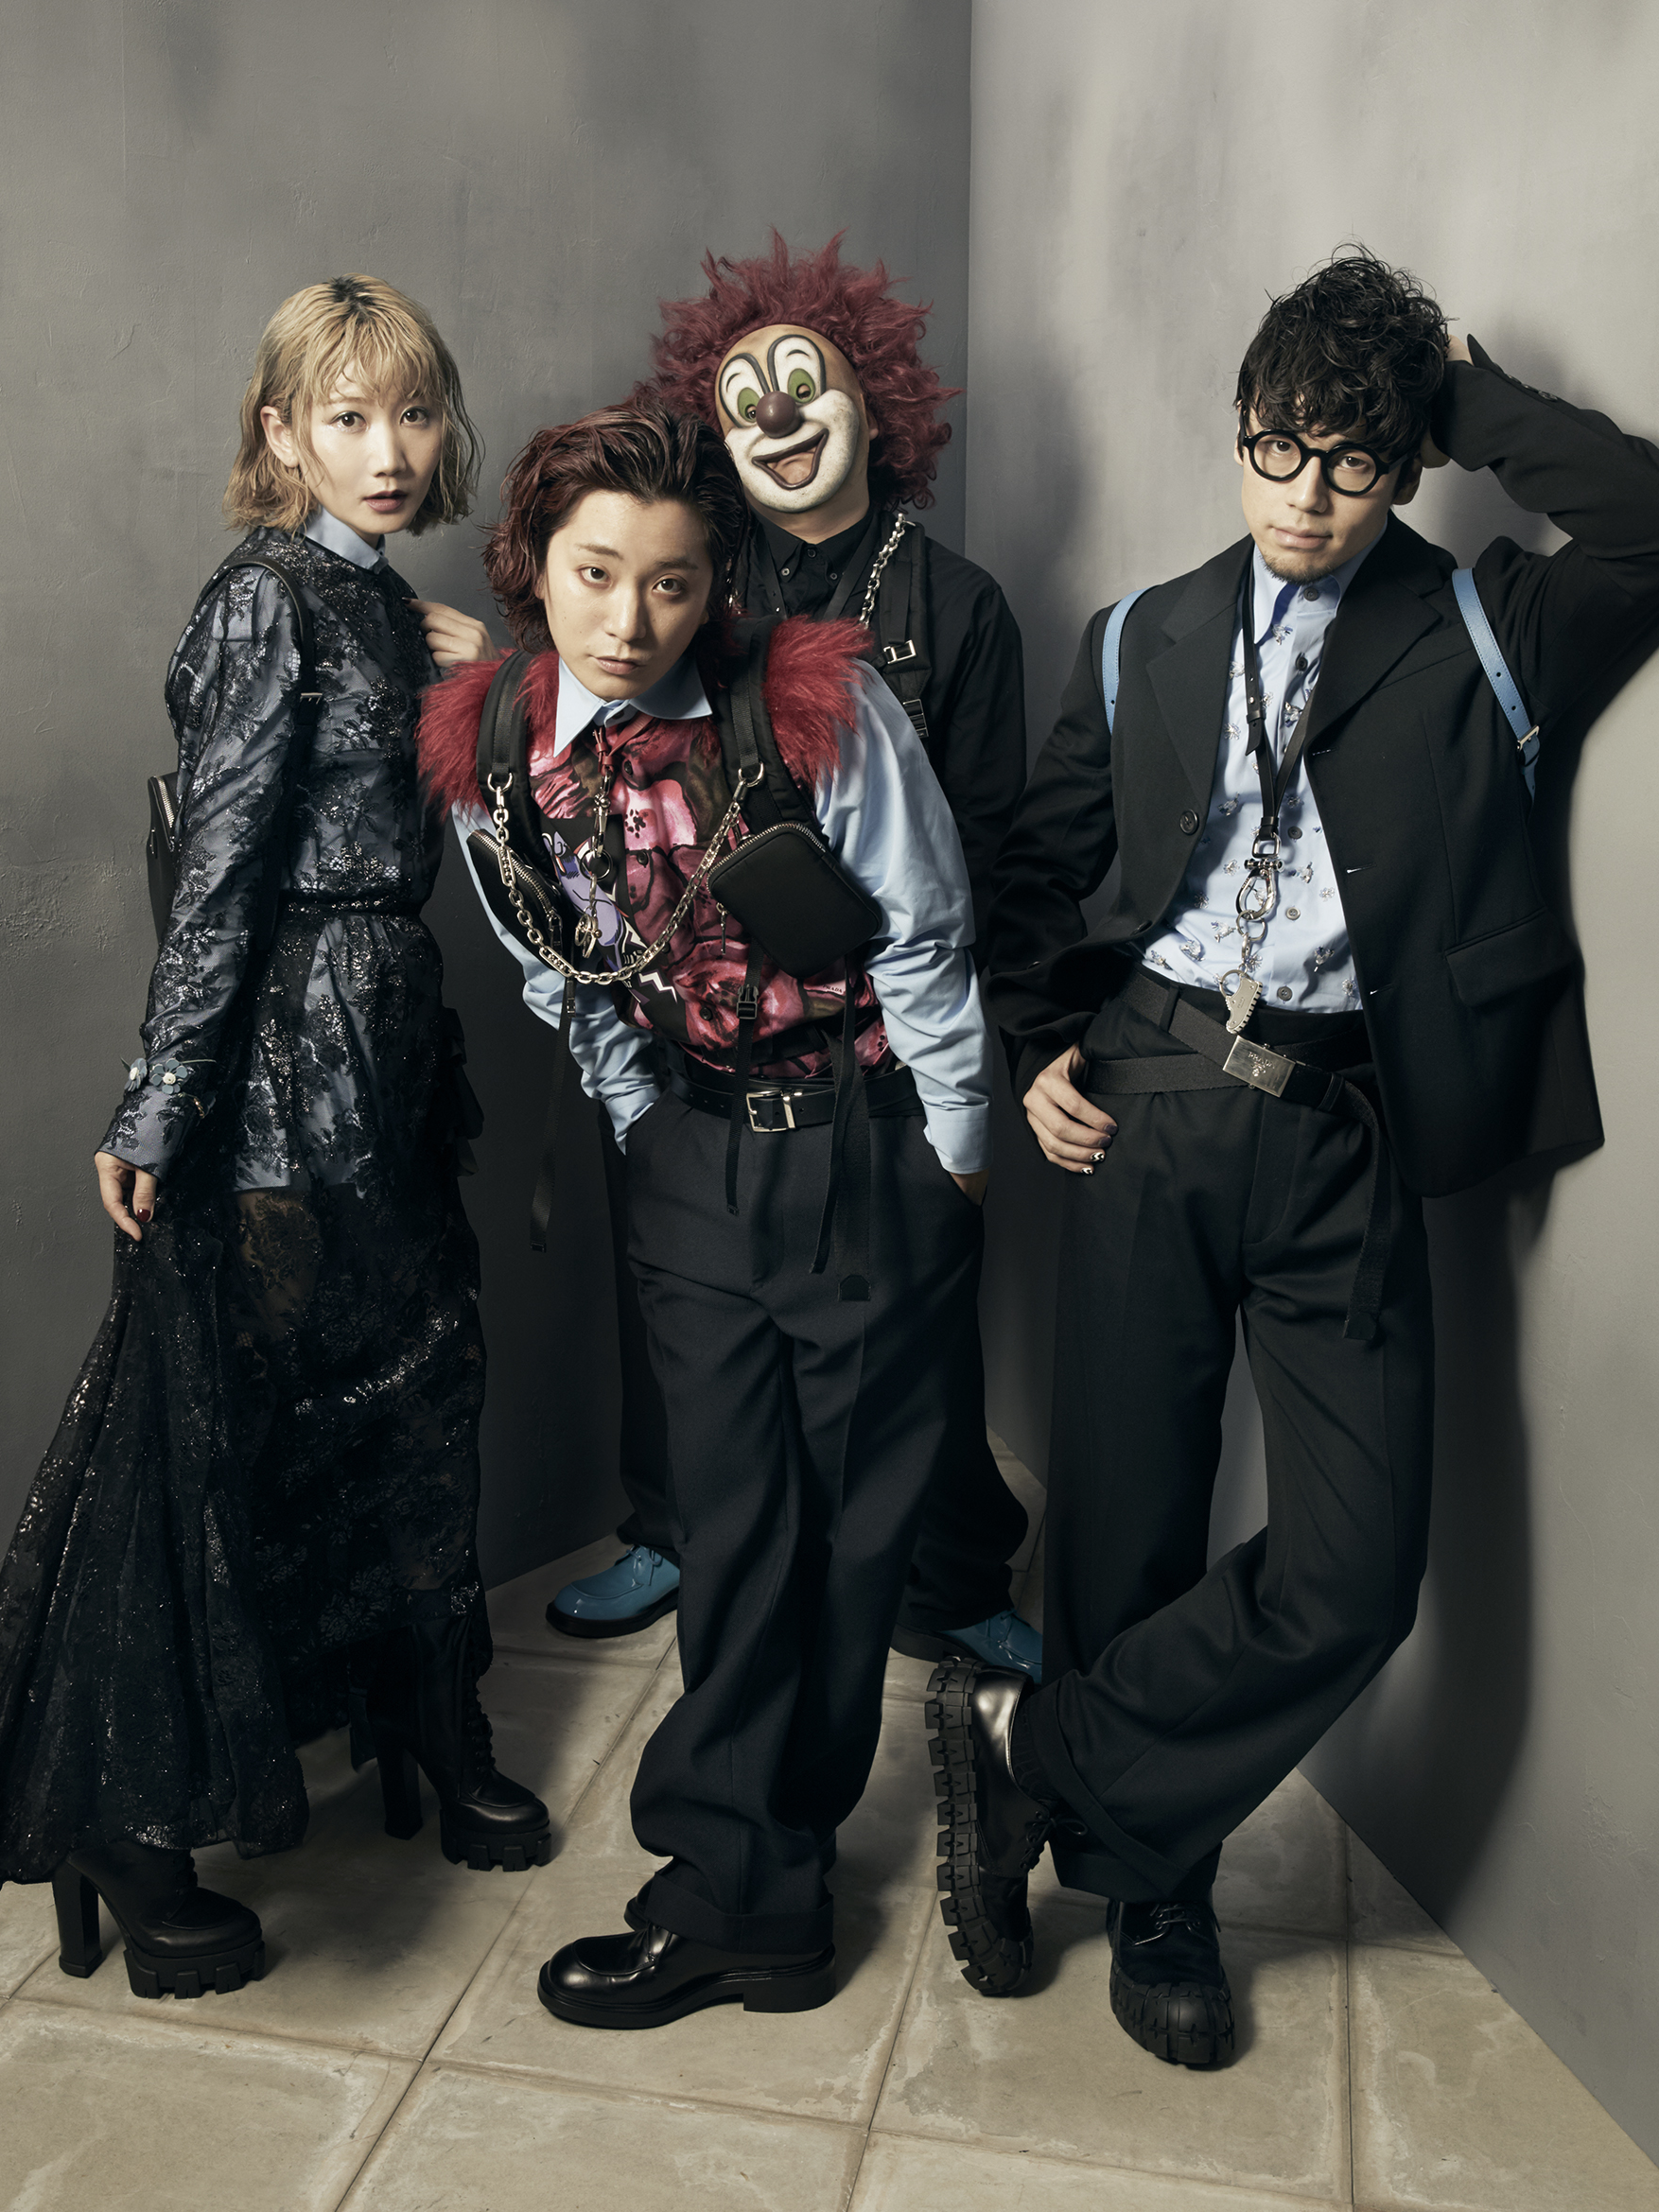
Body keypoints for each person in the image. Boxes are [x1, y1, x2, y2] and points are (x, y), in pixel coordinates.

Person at [931, 250, 1659, 2067]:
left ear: (1407, 464)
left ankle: (1034, 1753)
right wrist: (1037, 1050)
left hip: (1346, 1128)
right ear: (1238, 432)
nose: (1305, 497)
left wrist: (1466, 389)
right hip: (1153, 1100)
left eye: (1352, 460)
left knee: (1356, 1569)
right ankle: (1150, 1879)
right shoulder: (1144, 634)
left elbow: (1651, 526)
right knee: (1128, 1521)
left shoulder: (1485, 623)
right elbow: (1035, 872)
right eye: (1276, 447)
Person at [0, 275, 550, 2004]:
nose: (387, 447)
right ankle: (130, 1828)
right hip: (280, 1060)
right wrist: (159, 1101)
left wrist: (497, 677)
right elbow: (217, 878)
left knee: (419, 1389)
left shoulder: (390, 604)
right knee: (231, 1429)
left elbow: (487, 822)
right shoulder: (266, 600)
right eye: (346, 416)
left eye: (411, 412)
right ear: (281, 433)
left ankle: (430, 1718)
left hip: (390, 1044)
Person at [418, 402, 991, 2026]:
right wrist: (644, 1126)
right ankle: (743, 1882)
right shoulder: (494, 744)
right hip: (688, 1158)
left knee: (850, 1533)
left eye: (671, 584)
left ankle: (767, 1887)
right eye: (596, 573)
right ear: (534, 565)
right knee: (735, 1527)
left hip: (865, 1149)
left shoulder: (812, 704)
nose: (630, 619)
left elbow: (927, 934)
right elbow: (554, 967)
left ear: (714, 585)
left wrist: (953, 1161)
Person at [544, 234, 1038, 1680]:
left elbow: (990, 849)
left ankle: (951, 1573)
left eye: (805, 385)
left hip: (881, 1039)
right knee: (679, 1313)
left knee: (920, 1330)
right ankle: (676, 1530)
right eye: (742, 396)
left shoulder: (960, 604)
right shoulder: (685, 584)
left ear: (877, 403)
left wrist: (961, 1068)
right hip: (692, 1033)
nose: (774, 417)